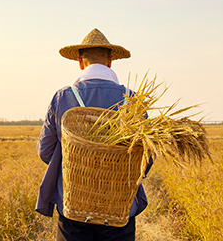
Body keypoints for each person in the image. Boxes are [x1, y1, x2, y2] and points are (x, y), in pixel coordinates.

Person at [36, 28, 148, 241]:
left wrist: (76, 165)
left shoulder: (63, 97)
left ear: (80, 62)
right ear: (110, 61)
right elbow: (147, 155)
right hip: (119, 206)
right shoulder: (132, 101)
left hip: (74, 207)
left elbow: (45, 151)